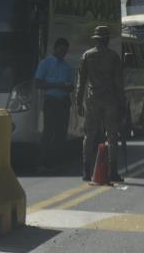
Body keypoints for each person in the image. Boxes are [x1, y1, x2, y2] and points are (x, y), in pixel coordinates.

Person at [76, 25, 125, 182]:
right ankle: (113, 171)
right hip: (110, 100)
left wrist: (78, 101)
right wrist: (122, 103)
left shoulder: (87, 56)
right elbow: (118, 83)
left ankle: (86, 171)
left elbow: (81, 82)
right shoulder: (113, 57)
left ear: (96, 40)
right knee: (112, 136)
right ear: (107, 39)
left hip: (93, 100)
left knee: (89, 135)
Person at [35, 38, 74, 168]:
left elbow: (71, 86)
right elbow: (38, 83)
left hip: (64, 101)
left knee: (61, 133)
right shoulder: (46, 63)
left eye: (65, 51)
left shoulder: (67, 66)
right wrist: (56, 85)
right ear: (55, 48)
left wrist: (66, 86)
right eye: (61, 50)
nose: (63, 53)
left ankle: (57, 161)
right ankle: (43, 161)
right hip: (51, 100)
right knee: (48, 132)